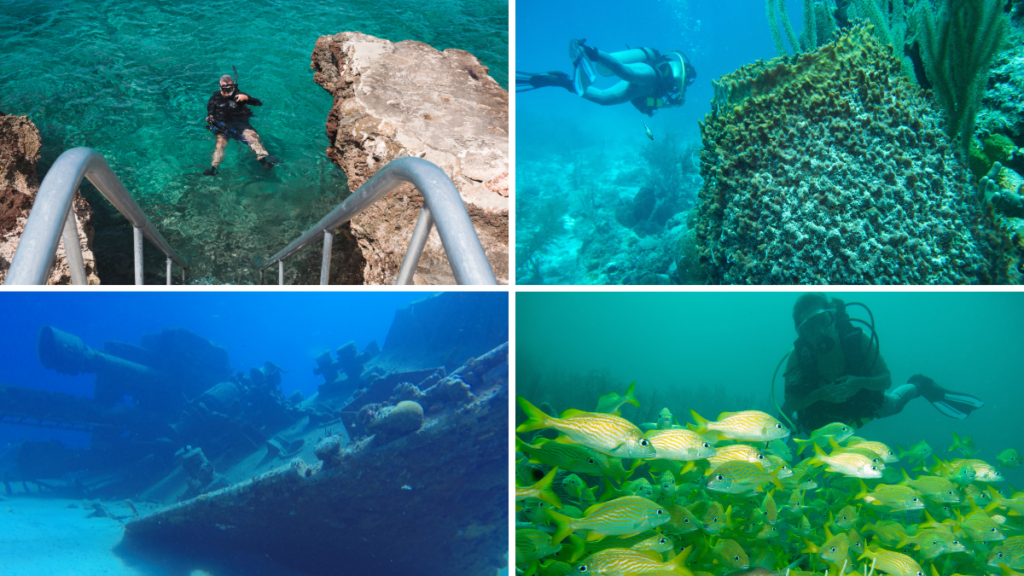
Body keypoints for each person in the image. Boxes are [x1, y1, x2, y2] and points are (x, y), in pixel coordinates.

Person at [780, 293, 983, 434]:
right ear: (801, 333)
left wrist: (859, 383)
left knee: (896, 403)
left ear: (832, 317)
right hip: (819, 419)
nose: (820, 332)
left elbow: (886, 380)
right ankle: (783, 427)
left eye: (823, 320)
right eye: (809, 328)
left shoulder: (856, 339)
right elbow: (791, 402)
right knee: (797, 423)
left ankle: (919, 385)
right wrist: (820, 394)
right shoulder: (797, 356)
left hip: (861, 404)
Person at [516, 39, 696, 116]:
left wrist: (672, 104)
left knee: (604, 99)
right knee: (626, 72)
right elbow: (673, 76)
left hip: (641, 90)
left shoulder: (675, 92)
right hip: (651, 75)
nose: (686, 83)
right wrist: (677, 98)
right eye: (688, 80)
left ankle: (561, 81)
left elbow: (653, 103)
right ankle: (589, 52)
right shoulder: (680, 71)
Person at [203, 74, 276, 175]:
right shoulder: (214, 99)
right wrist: (210, 117)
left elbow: (259, 103)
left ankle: (264, 161)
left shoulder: (240, 95)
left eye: (230, 88)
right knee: (220, 145)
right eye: (224, 89)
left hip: (240, 124)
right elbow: (210, 111)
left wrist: (247, 98)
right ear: (220, 87)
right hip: (222, 125)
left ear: (233, 86)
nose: (227, 91)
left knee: (253, 138)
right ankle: (213, 168)